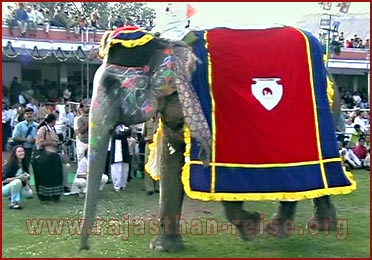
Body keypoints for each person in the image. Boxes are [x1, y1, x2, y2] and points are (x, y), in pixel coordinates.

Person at [33, 113, 64, 201]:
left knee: (56, 176)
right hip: (46, 157)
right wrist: (50, 142)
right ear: (53, 121)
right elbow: (38, 144)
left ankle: (55, 194)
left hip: (54, 156)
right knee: (47, 177)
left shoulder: (53, 129)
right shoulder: (43, 129)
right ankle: (45, 195)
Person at [2, 145, 33, 209]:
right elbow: (4, 180)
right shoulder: (10, 164)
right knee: (17, 182)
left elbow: (25, 177)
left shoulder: (24, 163)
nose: (21, 153)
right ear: (15, 153)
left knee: (29, 193)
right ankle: (14, 202)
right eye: (19, 151)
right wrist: (19, 177)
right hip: (5, 188)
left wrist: (26, 182)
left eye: (22, 151)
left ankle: (12, 196)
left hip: (18, 184)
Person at [12, 107, 38, 172]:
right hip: (24, 149)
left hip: (35, 149)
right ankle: (26, 181)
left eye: (31, 113)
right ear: (24, 115)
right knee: (25, 167)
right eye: (27, 114)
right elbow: (15, 137)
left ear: (33, 114)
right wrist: (26, 140)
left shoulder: (37, 125)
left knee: (37, 167)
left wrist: (35, 140)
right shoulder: (19, 125)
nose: (29, 115)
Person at [110, 125, 131, 192]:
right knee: (116, 168)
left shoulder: (126, 125)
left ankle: (123, 184)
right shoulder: (113, 125)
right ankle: (117, 186)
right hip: (116, 146)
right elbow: (114, 134)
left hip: (124, 146)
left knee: (125, 167)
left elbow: (129, 133)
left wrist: (124, 132)